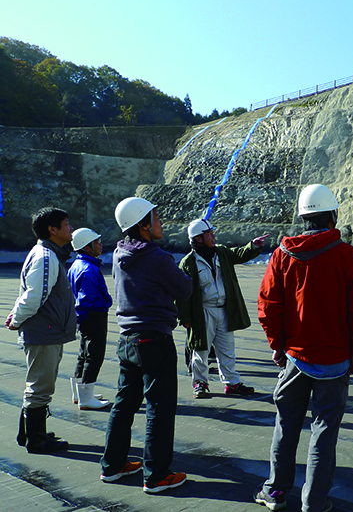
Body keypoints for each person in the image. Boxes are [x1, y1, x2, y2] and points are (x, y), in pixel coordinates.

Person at [255, 184, 353, 512]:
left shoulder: (281, 255)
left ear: (303, 217)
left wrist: (278, 346)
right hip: (335, 360)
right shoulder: (348, 256)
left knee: (286, 425)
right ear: (332, 216)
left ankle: (276, 492)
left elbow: (268, 306)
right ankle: (314, 501)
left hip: (296, 357)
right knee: (324, 433)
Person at [99, 197, 193, 493]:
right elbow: (185, 289)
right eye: (156, 218)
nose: (160, 223)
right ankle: (157, 475)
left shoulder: (119, 253)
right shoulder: (156, 257)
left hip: (127, 339)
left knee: (124, 405)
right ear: (143, 225)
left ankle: (112, 465)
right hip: (154, 339)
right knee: (160, 409)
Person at [6, 207, 76, 454]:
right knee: (40, 386)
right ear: (53, 229)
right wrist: (16, 319)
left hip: (47, 331)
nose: (70, 228)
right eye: (66, 224)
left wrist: (16, 315)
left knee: (40, 384)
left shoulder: (48, 254)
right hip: (44, 332)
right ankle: (37, 439)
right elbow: (34, 296)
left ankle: (29, 433)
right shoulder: (46, 256)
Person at [178, 218, 267, 399]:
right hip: (202, 312)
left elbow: (240, 253)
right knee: (200, 350)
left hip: (224, 310)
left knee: (227, 349)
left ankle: (232, 383)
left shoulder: (222, 253)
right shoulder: (188, 263)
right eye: (209, 233)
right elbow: (182, 293)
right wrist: (185, 318)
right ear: (198, 239)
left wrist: (254, 246)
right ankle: (200, 383)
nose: (213, 235)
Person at [68, 227, 112, 410]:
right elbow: (86, 299)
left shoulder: (76, 265)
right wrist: (81, 319)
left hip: (86, 316)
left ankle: (80, 393)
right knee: (94, 355)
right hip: (94, 315)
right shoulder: (89, 270)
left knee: (83, 354)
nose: (100, 244)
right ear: (87, 247)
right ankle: (86, 398)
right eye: (97, 242)